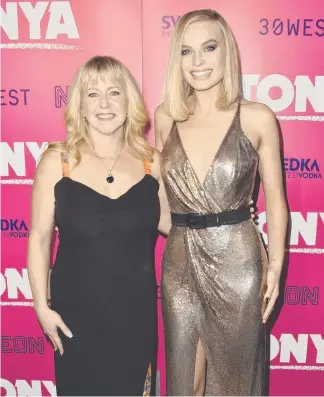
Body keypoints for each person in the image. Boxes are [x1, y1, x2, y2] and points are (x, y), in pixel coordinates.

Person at [155, 9, 288, 396]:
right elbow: (161, 201)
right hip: (179, 263)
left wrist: (274, 265)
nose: (197, 62)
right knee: (185, 382)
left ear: (226, 51)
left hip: (238, 263)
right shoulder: (167, 117)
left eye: (209, 48)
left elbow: (276, 202)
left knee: (236, 381)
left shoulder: (257, 118)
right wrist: (190, 225)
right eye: (186, 51)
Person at [27, 56, 171, 396]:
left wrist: (230, 217)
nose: (104, 104)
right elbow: (39, 237)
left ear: (129, 101)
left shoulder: (152, 163)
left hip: (135, 316)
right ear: (80, 104)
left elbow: (174, 224)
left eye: (114, 93)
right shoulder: (57, 161)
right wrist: (41, 307)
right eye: (93, 94)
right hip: (76, 316)